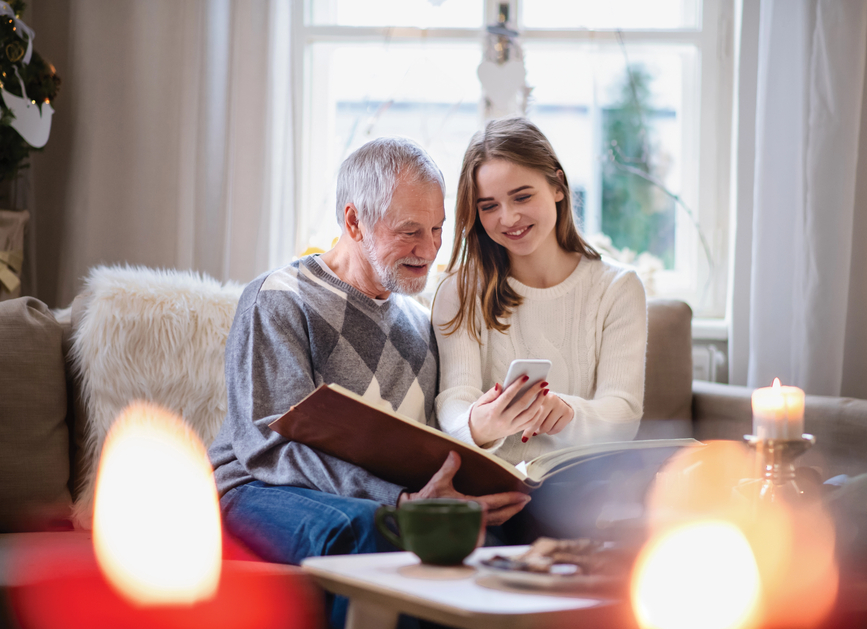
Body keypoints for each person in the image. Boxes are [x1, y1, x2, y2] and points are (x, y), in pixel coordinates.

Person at [209, 137, 530, 627]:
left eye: (438, 229)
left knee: (498, 542)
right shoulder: (279, 298)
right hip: (255, 488)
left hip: (380, 495)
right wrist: (396, 501)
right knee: (368, 529)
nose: (429, 250)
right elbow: (268, 448)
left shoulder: (422, 322)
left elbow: (419, 446)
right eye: (410, 232)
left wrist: (460, 492)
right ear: (354, 221)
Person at [432, 116, 647, 470]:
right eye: (489, 206)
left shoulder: (617, 288)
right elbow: (455, 402)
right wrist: (480, 424)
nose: (509, 218)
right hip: (493, 484)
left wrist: (565, 413)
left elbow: (623, 414)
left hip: (583, 486)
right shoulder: (462, 290)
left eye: (522, 196)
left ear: (558, 186)